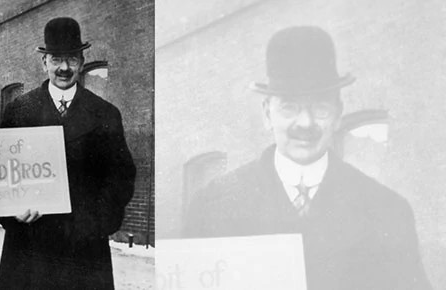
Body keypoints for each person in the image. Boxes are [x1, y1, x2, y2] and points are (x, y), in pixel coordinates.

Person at [182, 26, 431, 290]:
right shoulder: (212, 205)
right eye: (290, 107)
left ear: (338, 114)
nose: (306, 122)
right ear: (267, 114)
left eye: (320, 106)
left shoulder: (388, 212)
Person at [0, 17, 137, 290]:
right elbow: (2, 172)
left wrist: (94, 223)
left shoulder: (105, 113)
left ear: (82, 62)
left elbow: (121, 177)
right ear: (44, 62)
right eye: (56, 59)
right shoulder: (19, 110)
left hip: (83, 248)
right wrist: (12, 210)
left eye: (71, 59)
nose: (64, 68)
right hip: (30, 244)